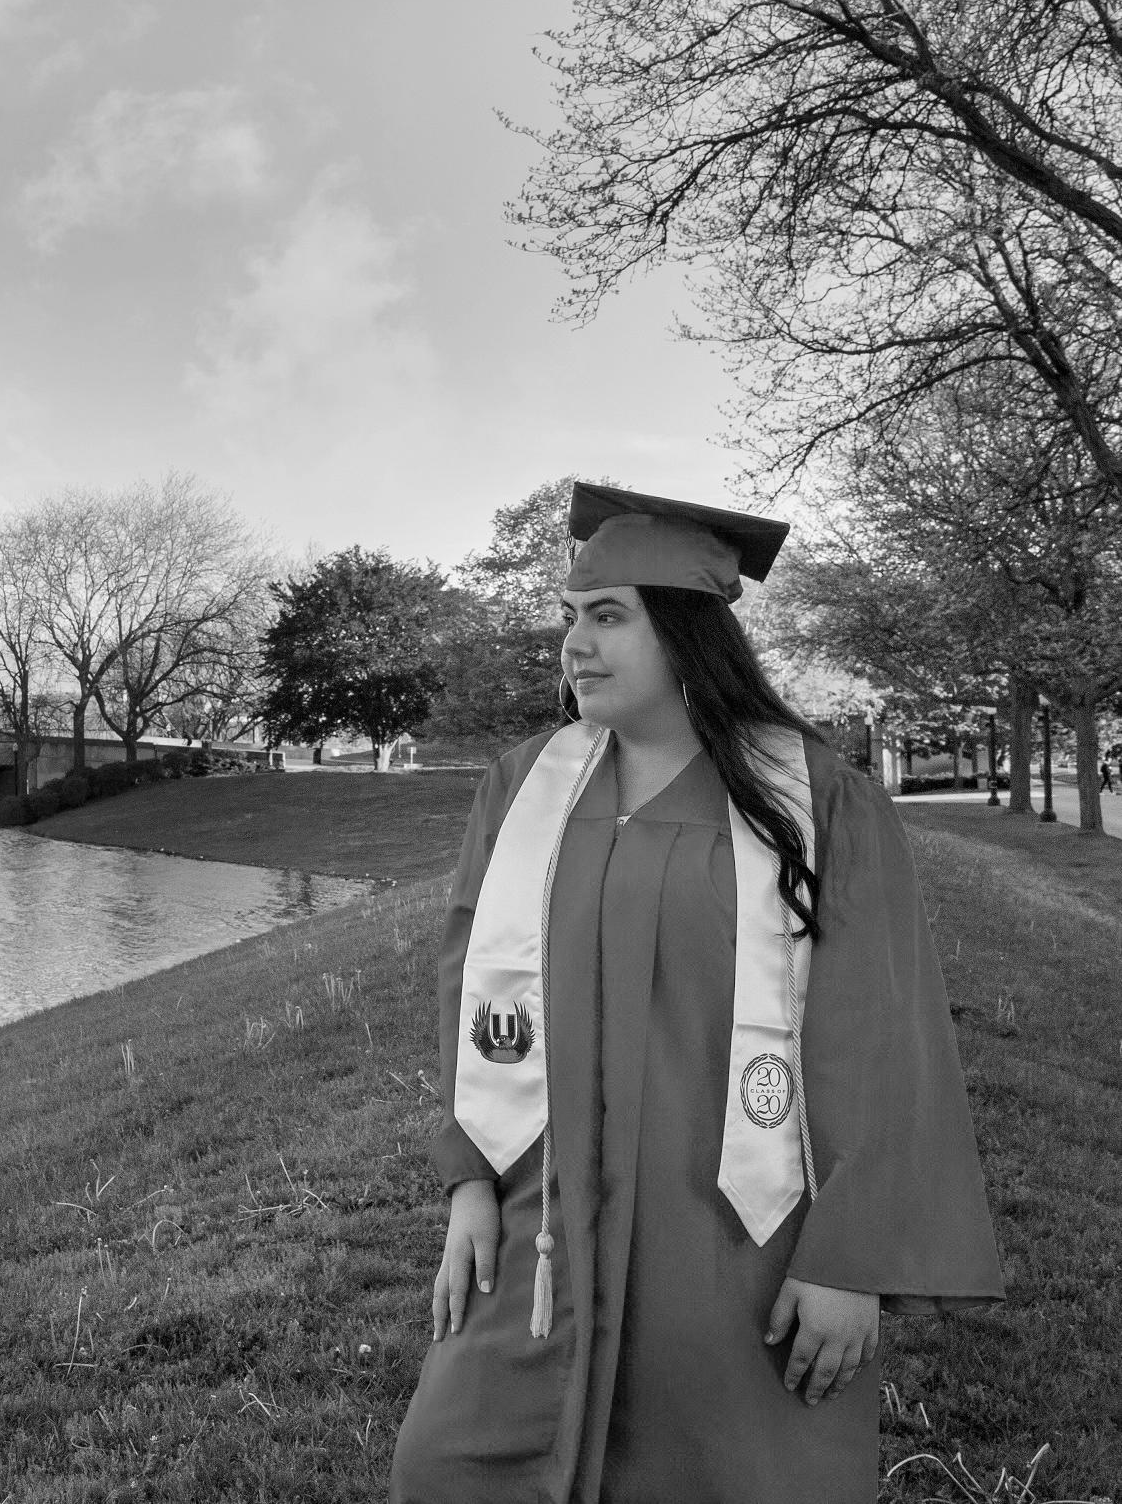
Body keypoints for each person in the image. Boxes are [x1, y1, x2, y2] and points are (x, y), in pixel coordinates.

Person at [389, 482, 1003, 1504]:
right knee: (447, 1462)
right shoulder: (523, 788)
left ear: (686, 635)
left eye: (608, 616)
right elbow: (472, 992)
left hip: (732, 1239)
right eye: (569, 617)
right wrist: (468, 1184)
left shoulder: (816, 801)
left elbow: (879, 1034)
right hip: (544, 1222)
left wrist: (848, 1261)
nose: (574, 645)